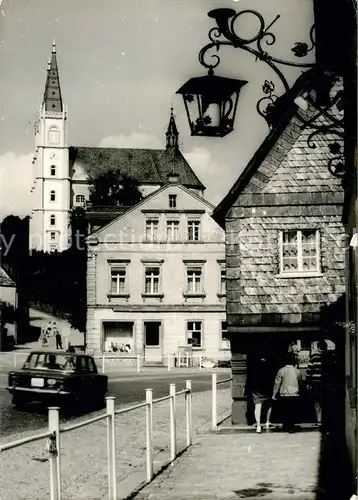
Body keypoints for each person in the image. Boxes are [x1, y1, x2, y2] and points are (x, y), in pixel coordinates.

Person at [272, 353, 302, 433]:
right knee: (293, 410)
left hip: (284, 395)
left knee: (285, 410)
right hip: (295, 394)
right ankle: (291, 426)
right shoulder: (297, 371)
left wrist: (274, 395)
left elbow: (277, 384)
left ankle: (286, 425)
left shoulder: (281, 370)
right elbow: (300, 382)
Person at [244, 356, 274, 434]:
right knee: (269, 405)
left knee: (258, 406)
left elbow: (249, 379)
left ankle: (258, 426)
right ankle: (267, 422)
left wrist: (246, 389)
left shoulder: (254, 369)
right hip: (267, 389)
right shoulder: (269, 368)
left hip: (256, 389)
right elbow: (272, 379)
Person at [306, 339, 328, 428]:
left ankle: (319, 421)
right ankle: (325, 420)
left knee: (317, 403)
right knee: (326, 402)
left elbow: (309, 371)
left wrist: (308, 382)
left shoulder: (314, 357)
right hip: (326, 383)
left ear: (318, 347)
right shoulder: (329, 356)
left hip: (316, 383)